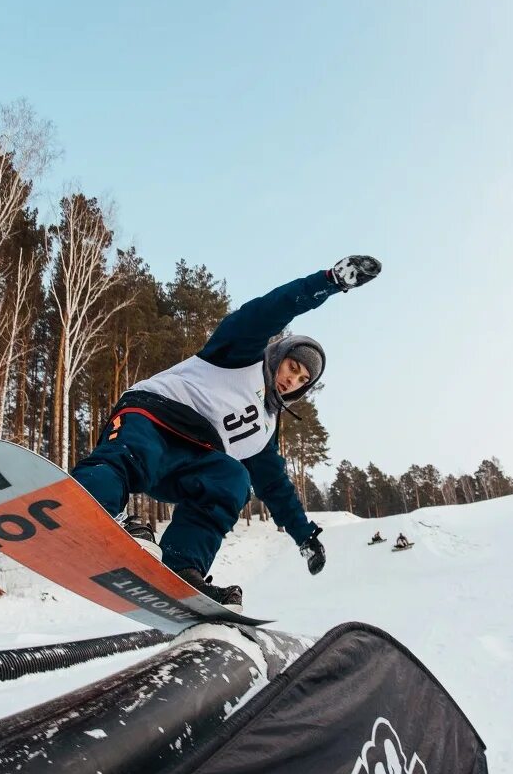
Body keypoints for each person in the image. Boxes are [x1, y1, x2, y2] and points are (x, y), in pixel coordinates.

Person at [70, 256, 382, 608]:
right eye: (291, 367)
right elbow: (270, 309)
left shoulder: (265, 429)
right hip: (153, 416)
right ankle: (96, 504)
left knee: (234, 478)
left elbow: (276, 487)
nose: (291, 380)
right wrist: (329, 282)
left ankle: (182, 567)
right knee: (138, 454)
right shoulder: (240, 353)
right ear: (278, 355)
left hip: (189, 460)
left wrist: (305, 537)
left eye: (301, 380)